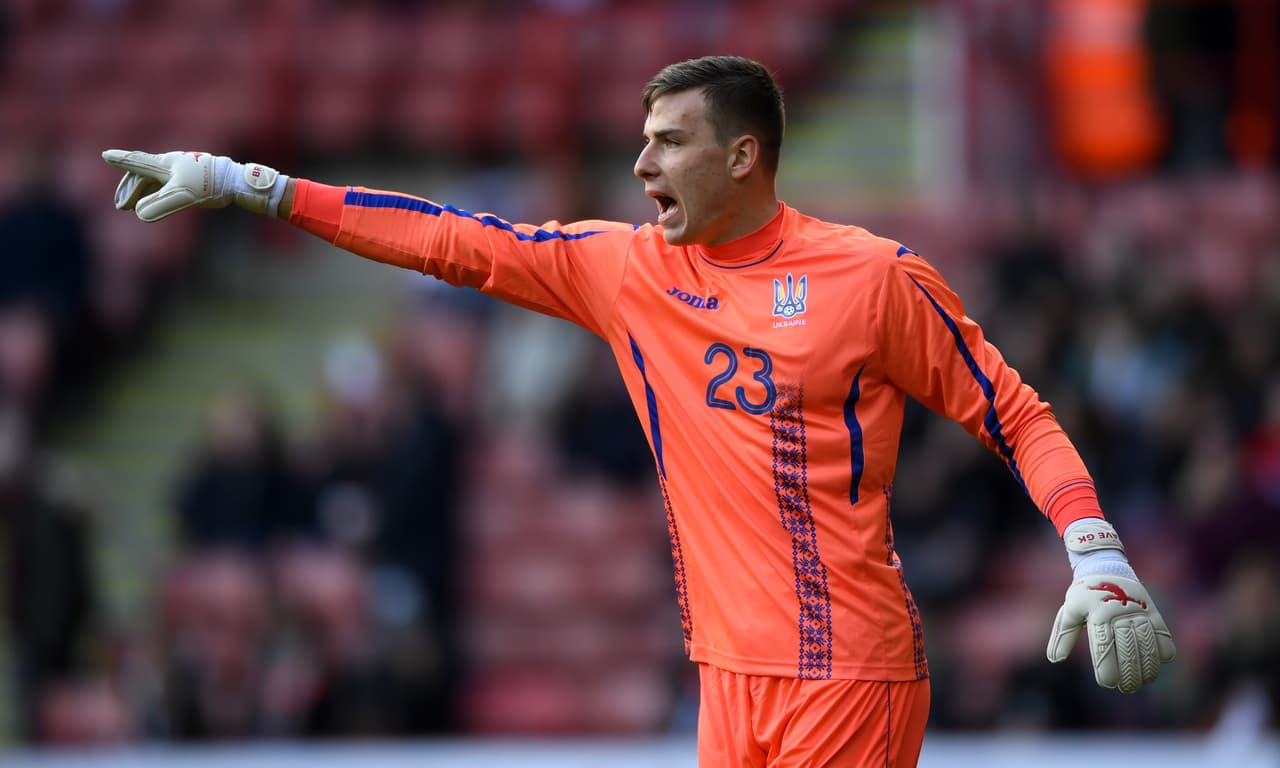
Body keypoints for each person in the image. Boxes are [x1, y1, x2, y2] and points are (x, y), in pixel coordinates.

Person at [102, 55, 1175, 765]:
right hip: (723, 681)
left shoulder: (869, 279)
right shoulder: (624, 273)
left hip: (844, 672)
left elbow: (1015, 411)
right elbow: (450, 239)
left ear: (742, 155)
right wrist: (255, 186)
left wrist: (1093, 550)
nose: (638, 162)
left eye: (666, 141)